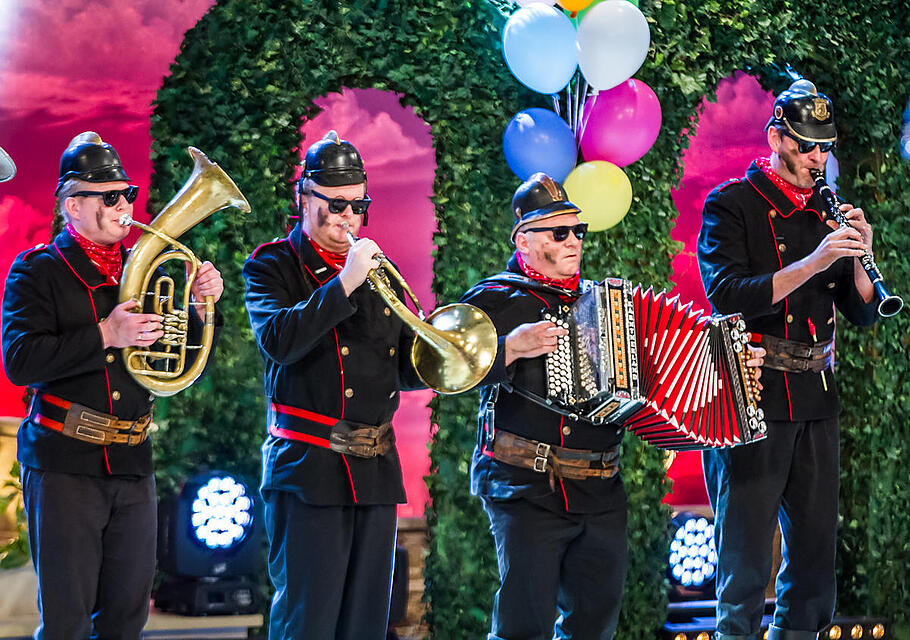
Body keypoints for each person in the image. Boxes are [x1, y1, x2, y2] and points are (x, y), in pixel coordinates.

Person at [461, 172, 764, 640]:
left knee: (594, 625)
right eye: (559, 232)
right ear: (523, 240)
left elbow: (674, 370)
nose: (573, 242)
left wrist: (733, 370)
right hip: (524, 486)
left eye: (577, 231)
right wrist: (510, 348)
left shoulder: (605, 305)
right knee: (524, 625)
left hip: (601, 487)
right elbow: (448, 372)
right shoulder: (495, 299)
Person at [1, 131, 224, 640]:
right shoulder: (38, 271)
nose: (124, 206)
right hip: (65, 464)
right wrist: (105, 334)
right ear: (72, 205)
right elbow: (20, 362)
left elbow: (180, 363)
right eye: (109, 196)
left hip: (131, 461)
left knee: (127, 620)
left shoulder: (143, 269)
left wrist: (198, 307)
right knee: (67, 623)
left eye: (127, 194)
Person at [697, 79, 879, 640]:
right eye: (806, 146)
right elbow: (726, 293)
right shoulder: (732, 204)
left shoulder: (827, 213)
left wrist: (858, 259)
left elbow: (862, 314)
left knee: (814, 569)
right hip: (750, 397)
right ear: (776, 137)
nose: (817, 159)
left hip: (817, 397)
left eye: (824, 148)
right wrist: (815, 258)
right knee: (746, 566)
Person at [243, 130, 424, 639]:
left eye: (358, 205)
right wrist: (344, 282)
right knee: (308, 623)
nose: (348, 217)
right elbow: (280, 340)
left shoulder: (379, 272)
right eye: (336, 204)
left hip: (373, 471)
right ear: (304, 198)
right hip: (308, 471)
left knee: (366, 625)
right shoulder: (272, 264)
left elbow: (398, 368)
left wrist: (452, 361)